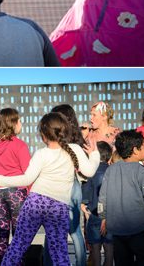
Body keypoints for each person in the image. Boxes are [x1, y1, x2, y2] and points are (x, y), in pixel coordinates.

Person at [0, 112, 100, 266]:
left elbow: (26, 179)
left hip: (35, 204)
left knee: (17, 246)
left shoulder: (41, 154)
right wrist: (94, 154)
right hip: (59, 207)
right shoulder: (75, 150)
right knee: (59, 253)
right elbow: (90, 172)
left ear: (43, 135)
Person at [99, 130, 144, 265]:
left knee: (122, 261)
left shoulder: (110, 170)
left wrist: (103, 217)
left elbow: (103, 197)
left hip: (117, 229)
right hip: (139, 229)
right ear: (135, 150)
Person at [0, 108, 31, 264]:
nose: (21, 123)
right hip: (17, 194)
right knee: (19, 235)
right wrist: (31, 196)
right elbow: (28, 175)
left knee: (2, 234)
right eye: (19, 120)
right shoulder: (20, 145)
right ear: (13, 124)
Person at [45, 104, 88, 266]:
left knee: (53, 231)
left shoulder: (55, 140)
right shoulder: (79, 140)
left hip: (58, 186)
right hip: (75, 185)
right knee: (75, 230)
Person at [82, 142, 114, 266]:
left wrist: (86, 209)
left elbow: (84, 198)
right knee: (109, 247)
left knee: (95, 248)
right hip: (111, 216)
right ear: (109, 156)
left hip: (94, 215)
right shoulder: (113, 171)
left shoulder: (90, 172)